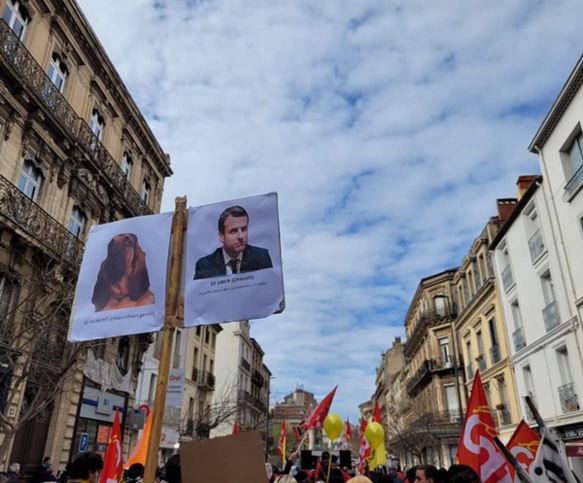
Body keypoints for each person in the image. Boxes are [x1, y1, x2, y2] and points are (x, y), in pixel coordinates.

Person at [193, 205, 273, 280]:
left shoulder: (261, 258)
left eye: (244, 229)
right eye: (234, 231)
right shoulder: (205, 266)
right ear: (221, 237)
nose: (241, 236)